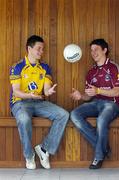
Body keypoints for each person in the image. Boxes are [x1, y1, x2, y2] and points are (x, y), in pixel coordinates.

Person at [9, 35, 69, 170]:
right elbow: (16, 92)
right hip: (20, 103)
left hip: (38, 102)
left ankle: (44, 149)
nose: (41, 52)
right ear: (29, 48)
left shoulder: (45, 68)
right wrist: (29, 95)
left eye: (43, 49)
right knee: (24, 119)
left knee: (63, 114)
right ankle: (29, 155)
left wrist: (48, 92)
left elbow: (46, 89)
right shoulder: (18, 67)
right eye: (39, 49)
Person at [70, 39, 119, 169]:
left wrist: (98, 90)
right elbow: (89, 96)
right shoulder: (91, 72)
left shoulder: (113, 67)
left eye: (96, 49)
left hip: (112, 104)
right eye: (91, 50)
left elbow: (116, 92)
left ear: (104, 50)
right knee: (74, 114)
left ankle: (98, 157)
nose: (93, 53)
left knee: (101, 120)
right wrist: (81, 96)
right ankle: (103, 147)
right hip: (95, 103)